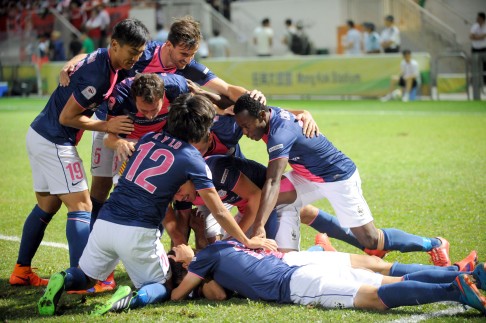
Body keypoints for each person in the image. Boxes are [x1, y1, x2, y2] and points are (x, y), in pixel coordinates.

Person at [37, 94, 277, 316]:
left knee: (87, 277)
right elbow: (219, 210)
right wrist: (246, 240)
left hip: (105, 221)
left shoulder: (148, 138)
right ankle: (128, 300)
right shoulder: (193, 160)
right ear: (203, 129)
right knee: (162, 287)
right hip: (138, 229)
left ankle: (64, 278)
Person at [59, 16, 270, 234]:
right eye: (184, 53)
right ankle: (95, 237)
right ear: (168, 45)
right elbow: (101, 56)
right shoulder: (141, 54)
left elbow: (225, 89)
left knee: (159, 186)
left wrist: (254, 97)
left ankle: (164, 240)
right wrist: (71, 63)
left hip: (155, 131)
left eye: (192, 54)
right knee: (102, 186)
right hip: (114, 123)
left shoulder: (185, 70)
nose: (188, 60)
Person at [232, 93, 453, 266]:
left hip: (338, 177)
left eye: (246, 126)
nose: (244, 132)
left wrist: (259, 226)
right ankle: (291, 255)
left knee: (371, 240)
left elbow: (273, 180)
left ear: (262, 116)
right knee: (276, 201)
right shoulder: (268, 114)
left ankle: (434, 244)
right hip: (308, 174)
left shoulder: (280, 134)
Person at [9, 19, 150, 288]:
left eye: (140, 52)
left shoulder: (103, 57)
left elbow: (87, 54)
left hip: (39, 134)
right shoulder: (98, 77)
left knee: (47, 205)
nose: (136, 58)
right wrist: (107, 125)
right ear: (115, 45)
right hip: (55, 140)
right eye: (132, 52)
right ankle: (83, 279)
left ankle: (21, 271)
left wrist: (69, 63)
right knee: (82, 206)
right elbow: (67, 117)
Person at [168, 241, 486, 315]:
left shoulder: (204, 258)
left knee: (373, 298)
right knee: (382, 281)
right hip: (300, 268)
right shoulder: (223, 245)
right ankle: (464, 278)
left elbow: (177, 296)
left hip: (295, 283)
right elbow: (219, 294)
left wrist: (186, 261)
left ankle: (456, 288)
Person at [470, 12, 486, 83]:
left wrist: (475, 36)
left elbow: (483, 37)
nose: (477, 19)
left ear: (482, 19)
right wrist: (478, 37)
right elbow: (471, 36)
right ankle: (475, 82)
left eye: (478, 18)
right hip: (475, 49)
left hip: (483, 49)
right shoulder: (474, 26)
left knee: (485, 66)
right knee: (475, 65)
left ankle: (485, 82)